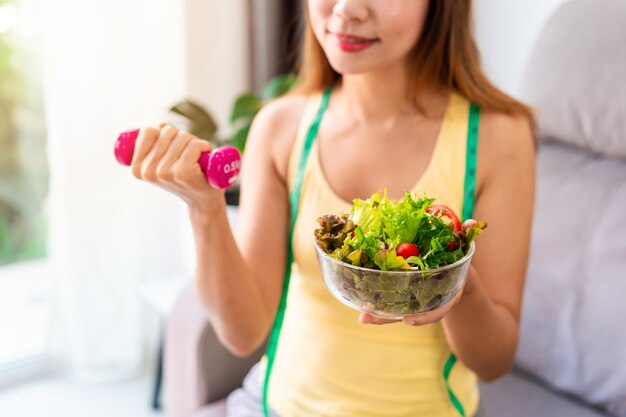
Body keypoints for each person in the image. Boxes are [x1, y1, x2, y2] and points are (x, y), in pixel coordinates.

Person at [130, 1, 535, 416]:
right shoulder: (281, 127)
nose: (347, 9)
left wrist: (455, 286)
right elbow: (242, 332)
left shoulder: (498, 138)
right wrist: (205, 209)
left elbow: (493, 362)